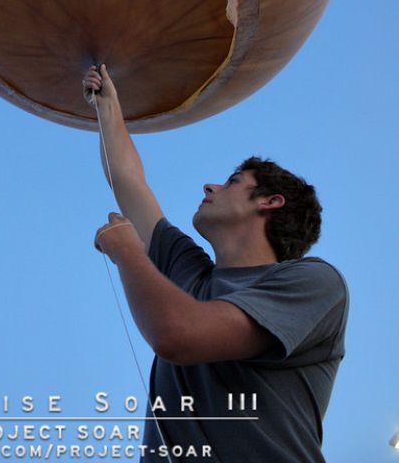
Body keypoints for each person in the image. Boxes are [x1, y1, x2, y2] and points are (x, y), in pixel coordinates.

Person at [83, 64, 348, 463]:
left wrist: (127, 252)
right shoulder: (188, 269)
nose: (210, 186)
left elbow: (178, 336)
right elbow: (128, 181)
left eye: (233, 182)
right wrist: (107, 106)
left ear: (270, 202)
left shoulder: (314, 284)